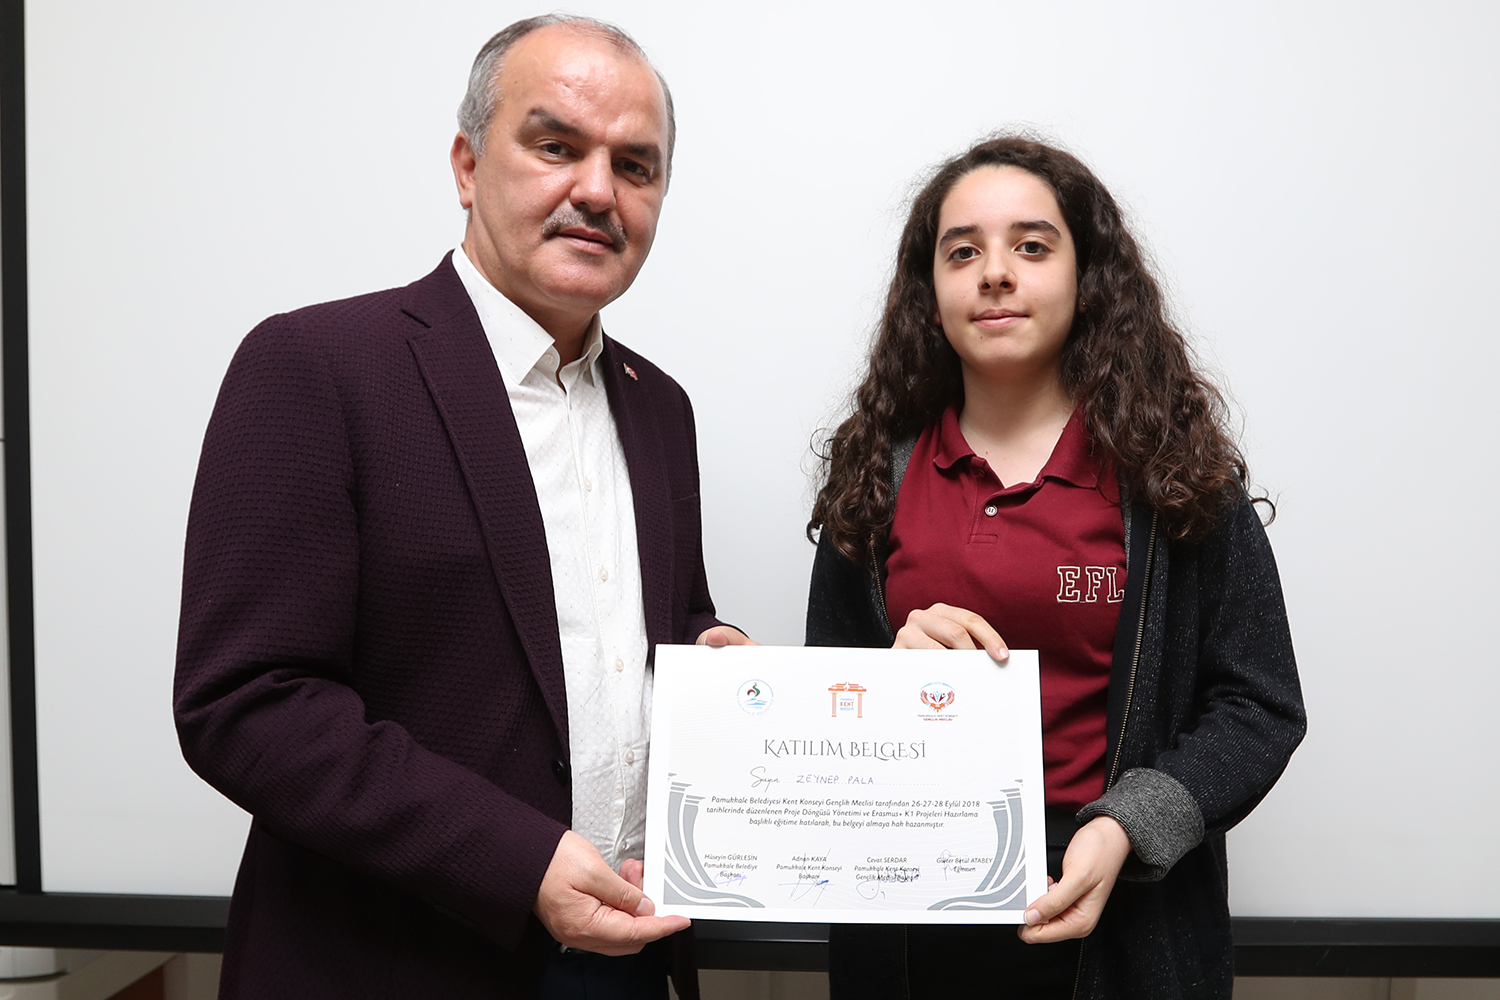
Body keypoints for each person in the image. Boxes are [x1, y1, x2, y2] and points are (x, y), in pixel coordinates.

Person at [174, 15, 749, 1000]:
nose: (599, 191)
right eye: (556, 146)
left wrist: (709, 651)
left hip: (628, 958)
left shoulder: (662, 407)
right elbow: (247, 702)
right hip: (394, 967)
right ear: (468, 164)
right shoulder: (315, 367)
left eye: (635, 166)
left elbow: (647, 625)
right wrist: (517, 860)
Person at [805, 135, 1306, 1000]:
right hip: (911, 939)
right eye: (963, 252)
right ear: (930, 291)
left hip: (1124, 929)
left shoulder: (1174, 474)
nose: (995, 273)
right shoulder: (873, 476)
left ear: (1087, 277)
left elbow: (1259, 704)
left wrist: (1128, 827)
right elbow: (824, 707)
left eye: (1032, 246)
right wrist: (886, 680)